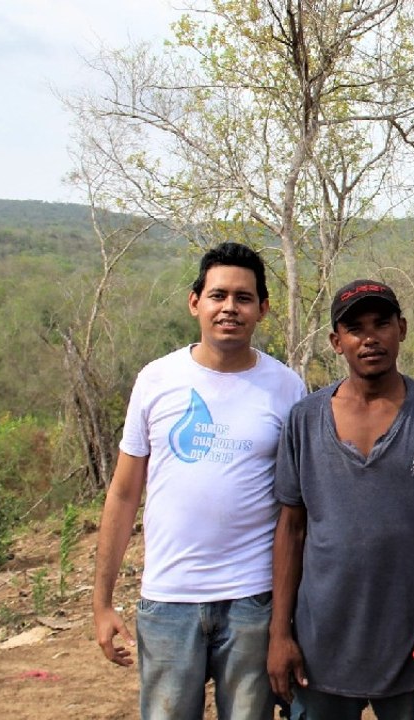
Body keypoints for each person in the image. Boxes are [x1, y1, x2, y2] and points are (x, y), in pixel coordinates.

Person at [92, 242, 306, 720]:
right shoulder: (156, 380)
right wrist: (102, 602)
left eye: (244, 297)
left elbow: (298, 509)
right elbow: (125, 494)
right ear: (196, 303)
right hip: (169, 599)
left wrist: (287, 619)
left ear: (263, 309)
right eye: (218, 295)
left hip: (252, 601)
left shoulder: (287, 388)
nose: (230, 307)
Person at [267, 279, 414, 719]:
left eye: (381, 323)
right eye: (355, 328)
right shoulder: (304, 420)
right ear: (336, 341)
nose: (370, 338)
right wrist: (279, 634)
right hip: (320, 642)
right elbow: (291, 527)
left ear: (401, 329)